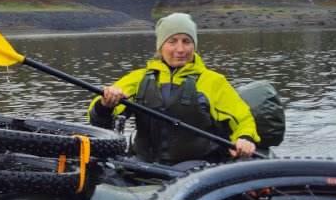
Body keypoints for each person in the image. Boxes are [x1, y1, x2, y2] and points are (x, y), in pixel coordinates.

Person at [88, 13, 258, 164]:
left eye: (186, 41)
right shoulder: (139, 78)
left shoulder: (213, 81)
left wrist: (244, 138)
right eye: (172, 41)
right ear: (160, 46)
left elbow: (243, 120)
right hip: (142, 165)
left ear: (194, 45)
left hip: (195, 169)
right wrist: (105, 104)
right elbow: (96, 116)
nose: (180, 49)